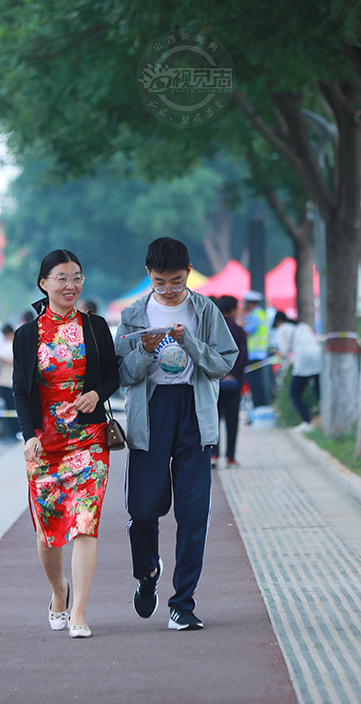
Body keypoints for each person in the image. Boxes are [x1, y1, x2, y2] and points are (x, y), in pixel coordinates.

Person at [116, 237, 238, 631]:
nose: (168, 290)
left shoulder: (204, 310)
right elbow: (122, 375)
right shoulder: (135, 313)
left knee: (193, 513)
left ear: (187, 272)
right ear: (148, 274)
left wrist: (190, 342)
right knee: (143, 510)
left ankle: (182, 602)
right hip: (149, 417)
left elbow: (223, 364)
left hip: (194, 413)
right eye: (160, 282)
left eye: (176, 282)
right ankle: (146, 573)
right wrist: (146, 352)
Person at [14, 250, 120, 639]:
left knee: (85, 525)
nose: (70, 285)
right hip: (45, 445)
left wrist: (96, 393)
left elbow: (112, 376)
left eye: (76, 277)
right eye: (61, 278)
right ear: (44, 283)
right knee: (47, 534)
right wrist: (29, 436)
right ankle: (59, 590)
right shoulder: (27, 335)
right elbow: (20, 391)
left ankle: (79, 612)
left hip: (89, 440)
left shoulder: (95, 327)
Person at [213, 296, 249, 468]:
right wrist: (232, 374)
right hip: (233, 384)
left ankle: (213, 455)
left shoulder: (211, 329)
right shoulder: (238, 330)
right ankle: (230, 457)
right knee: (232, 420)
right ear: (234, 310)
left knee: (213, 419)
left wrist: (218, 374)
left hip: (214, 383)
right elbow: (243, 355)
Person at [288, 319, 323, 429]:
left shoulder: (284, 330)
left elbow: (285, 351)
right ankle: (325, 418)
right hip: (318, 361)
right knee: (320, 393)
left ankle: (307, 421)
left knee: (294, 393)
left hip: (303, 364)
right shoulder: (305, 326)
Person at [242, 291, 272, 410]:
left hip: (253, 353)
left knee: (254, 382)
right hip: (261, 351)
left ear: (250, 303)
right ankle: (261, 406)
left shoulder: (255, 315)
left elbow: (249, 330)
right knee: (258, 381)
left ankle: (258, 406)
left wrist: (240, 325)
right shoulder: (261, 313)